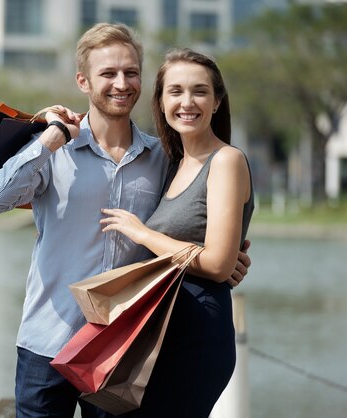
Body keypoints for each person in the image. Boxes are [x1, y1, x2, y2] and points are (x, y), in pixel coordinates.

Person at [0, 23, 251, 418]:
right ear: (83, 82)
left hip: (121, 349)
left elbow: (195, 221)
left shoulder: (164, 158)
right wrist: (51, 136)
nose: (121, 83)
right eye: (108, 73)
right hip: (48, 340)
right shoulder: (55, 148)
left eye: (131, 72)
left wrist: (223, 264)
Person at [99, 48, 255, 417]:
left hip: (196, 332)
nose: (187, 102)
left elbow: (217, 264)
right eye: (176, 91)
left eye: (200, 91)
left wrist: (143, 234)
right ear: (161, 101)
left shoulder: (227, 161)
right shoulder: (172, 162)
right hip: (156, 329)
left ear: (217, 101)